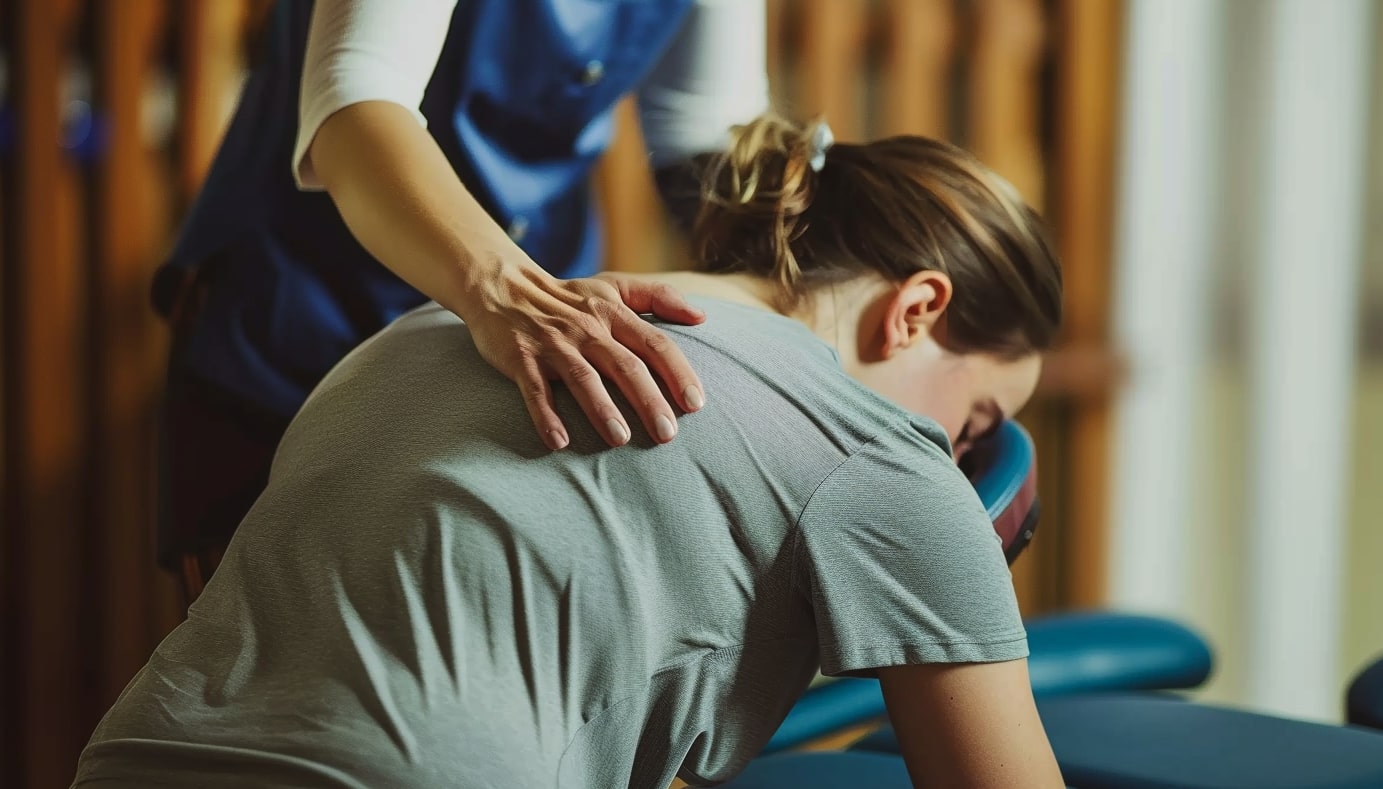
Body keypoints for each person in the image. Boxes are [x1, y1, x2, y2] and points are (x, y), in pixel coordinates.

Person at [80, 114, 1066, 788]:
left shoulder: (424, 330)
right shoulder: (884, 454)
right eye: (975, 422)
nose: (963, 457)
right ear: (917, 311)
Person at [158, 0, 770, 598]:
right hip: (297, 329)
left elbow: (708, 137)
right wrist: (503, 290)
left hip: (519, 372)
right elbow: (356, 103)